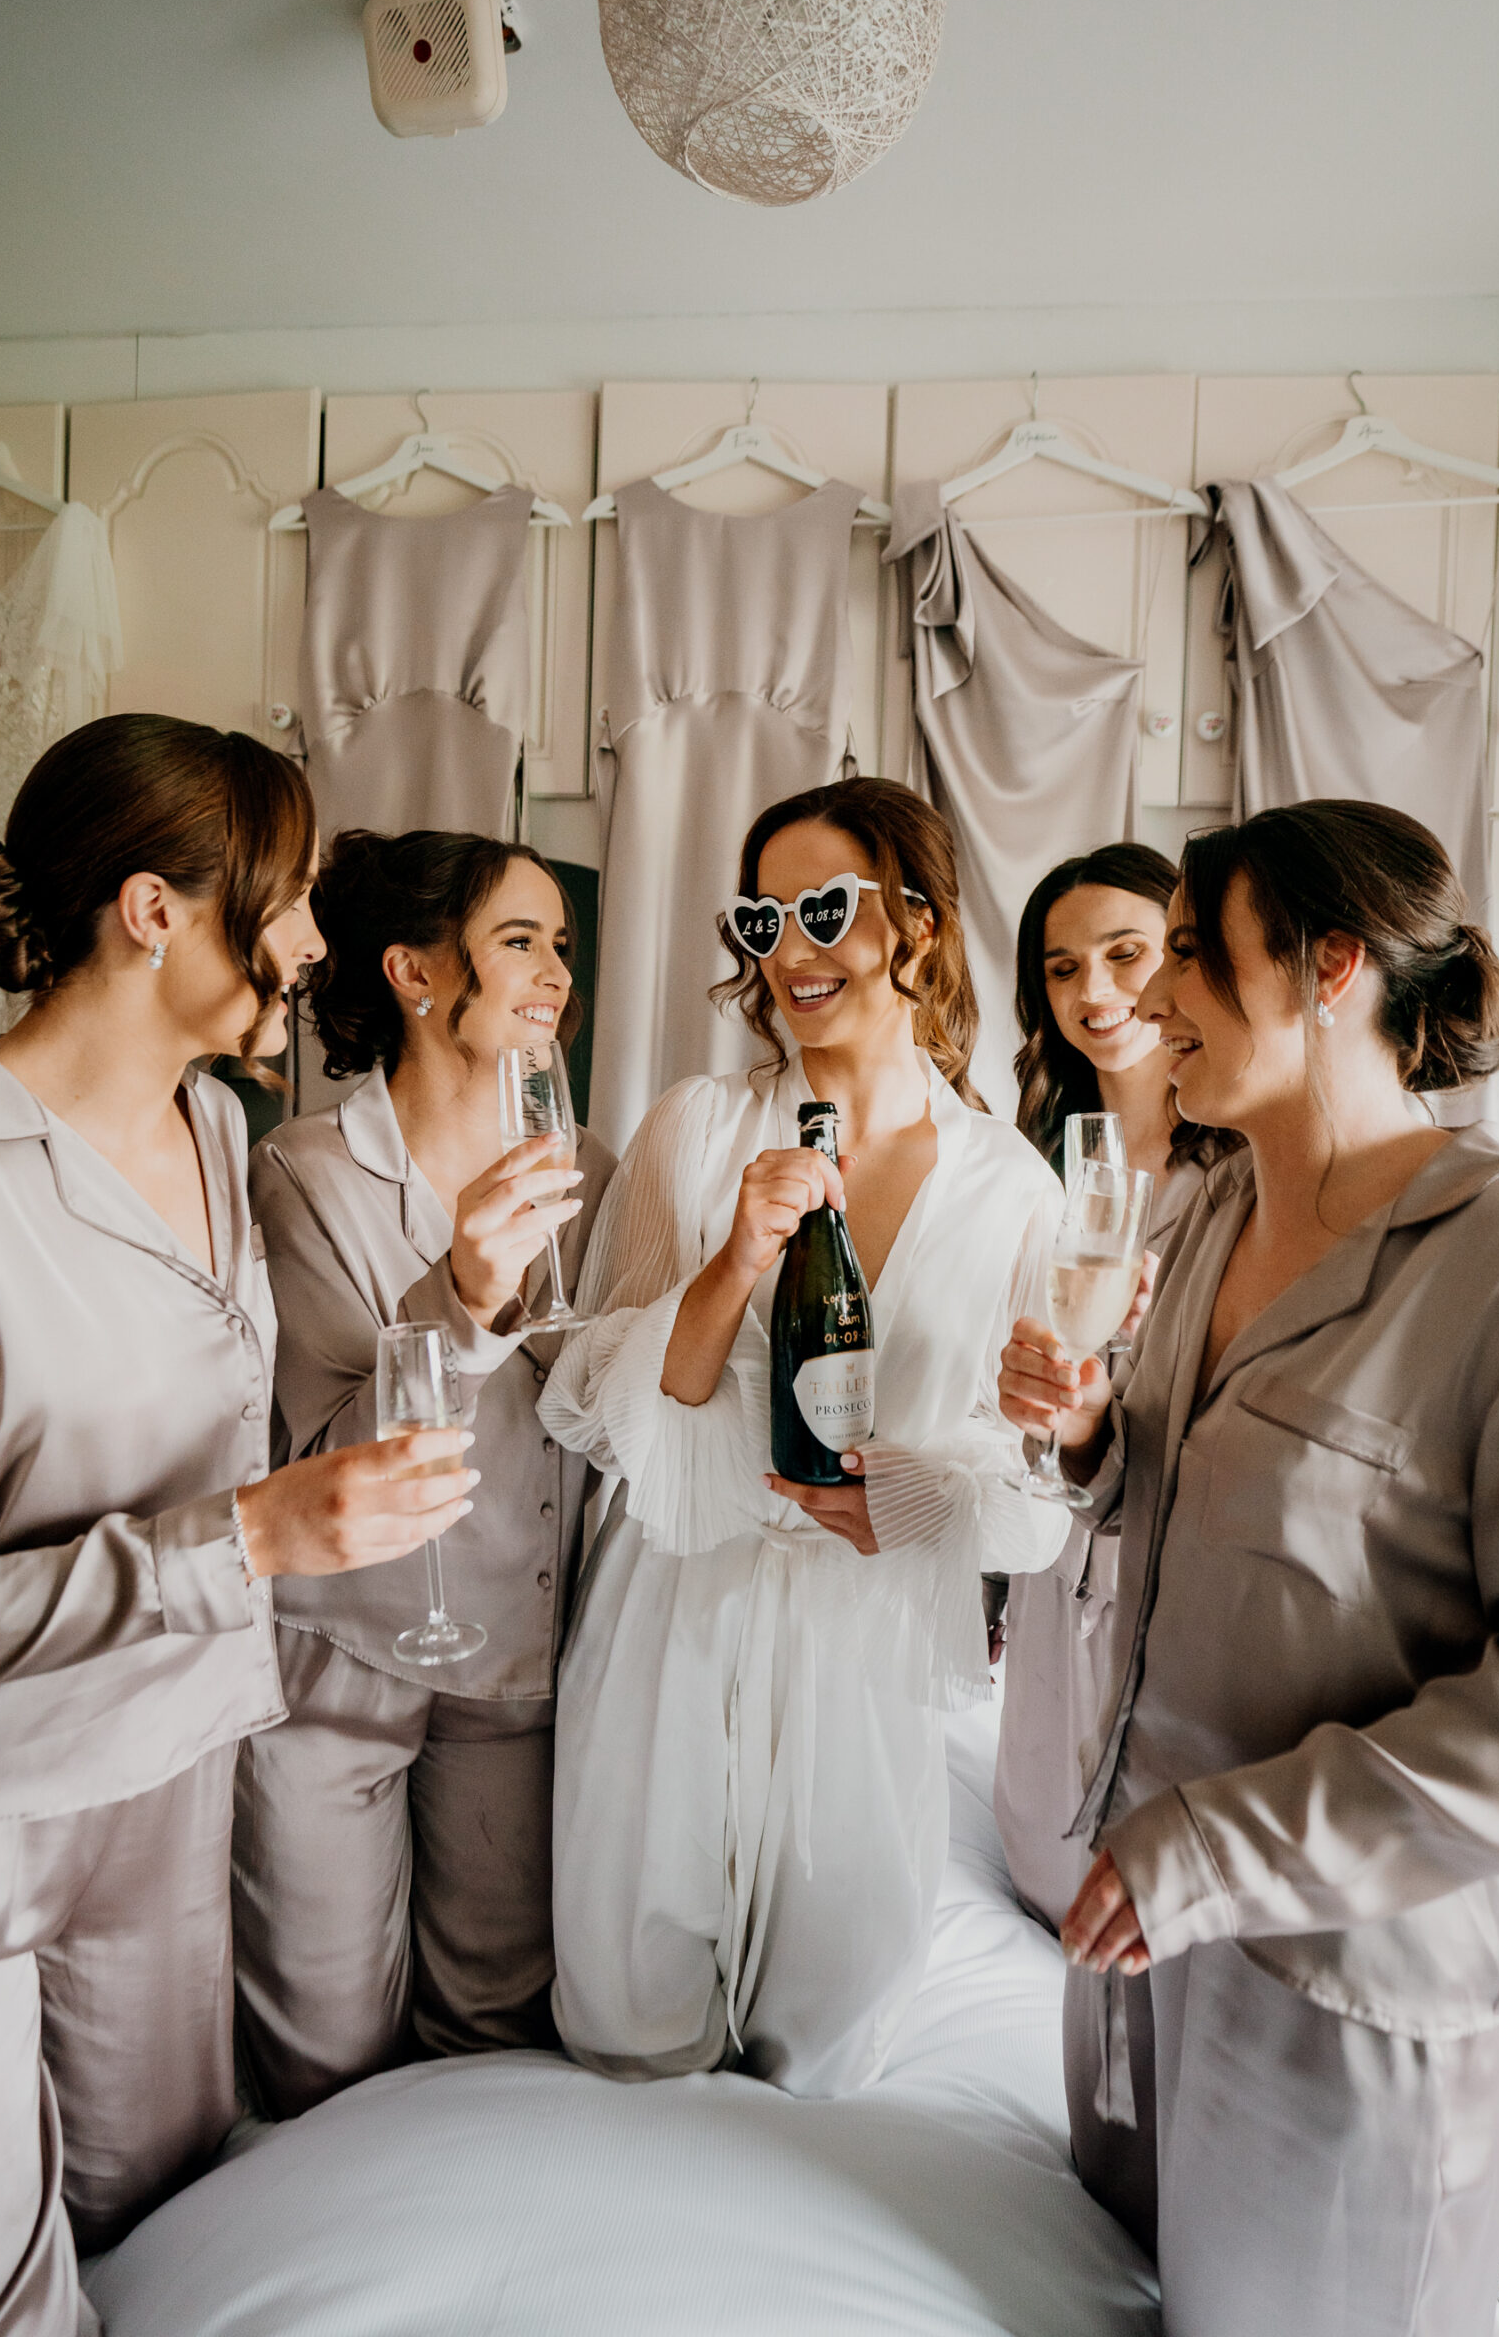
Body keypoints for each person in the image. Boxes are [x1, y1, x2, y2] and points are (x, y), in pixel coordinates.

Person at [0, 716, 475, 2337]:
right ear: (154, 911)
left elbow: (210, 1423)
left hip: (168, 1791)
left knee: (172, 2251)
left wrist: (452, 1309)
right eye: (293, 895)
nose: (317, 940)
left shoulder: (215, 1128)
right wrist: (240, 1541)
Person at [999, 799, 1499, 2337]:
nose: (1147, 1002)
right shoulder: (1206, 1202)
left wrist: (1218, 1855)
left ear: (1330, 969)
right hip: (1142, 1952)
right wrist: (1095, 1435)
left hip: (1344, 1994)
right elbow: (1168, 1500)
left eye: (1185, 957)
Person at [543, 776, 1069, 2097]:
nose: (791, 947)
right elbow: (607, 1401)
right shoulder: (696, 1127)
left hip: (868, 1647)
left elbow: (1047, 1480)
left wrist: (918, 1502)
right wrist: (735, 1260)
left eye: (825, 907)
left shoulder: (1011, 1185)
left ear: (920, 924)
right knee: (629, 2025)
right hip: (676, 1614)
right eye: (763, 918)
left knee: (828, 2045)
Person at [235, 828, 616, 2116]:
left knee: (494, 2046)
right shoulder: (304, 1174)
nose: (556, 971)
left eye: (562, 946)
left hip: (514, 1665)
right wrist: (461, 1293)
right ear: (411, 970)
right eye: (521, 941)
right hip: (338, 1667)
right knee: (318, 2057)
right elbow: (319, 1455)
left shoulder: (594, 1176)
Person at [995, 843, 1234, 2249]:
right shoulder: (1033, 1171)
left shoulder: (1238, 1175)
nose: (1095, 991)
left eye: (1128, 954)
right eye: (1064, 965)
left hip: (1177, 1568)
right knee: (1044, 1849)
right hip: (1049, 1551)